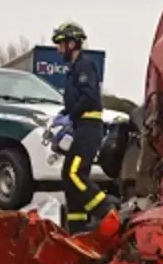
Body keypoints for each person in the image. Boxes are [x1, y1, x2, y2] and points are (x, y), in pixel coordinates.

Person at [50, 21, 119, 234]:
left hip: (89, 127)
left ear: (72, 43)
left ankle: (106, 210)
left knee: (74, 174)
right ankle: (77, 229)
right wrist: (64, 114)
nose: (58, 49)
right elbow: (76, 99)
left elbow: (89, 97)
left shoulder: (84, 66)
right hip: (81, 126)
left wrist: (71, 116)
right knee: (68, 177)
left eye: (61, 44)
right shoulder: (74, 69)